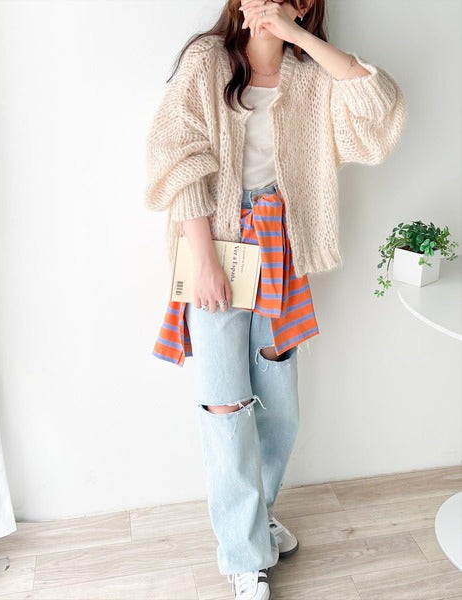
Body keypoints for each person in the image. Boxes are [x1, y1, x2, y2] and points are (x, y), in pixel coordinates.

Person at [144, 1, 407, 598]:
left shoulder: (312, 76)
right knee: (225, 404)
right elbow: (176, 157)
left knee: (280, 404)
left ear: (304, 4)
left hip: (280, 244)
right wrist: (203, 258)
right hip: (214, 240)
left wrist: (296, 38)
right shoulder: (208, 60)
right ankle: (243, 557)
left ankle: (256, 517)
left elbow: (381, 112)